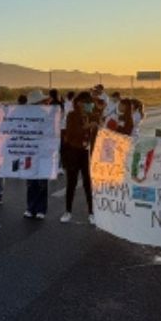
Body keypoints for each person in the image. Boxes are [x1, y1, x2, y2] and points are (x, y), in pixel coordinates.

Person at [60, 92, 98, 223]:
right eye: (86, 102)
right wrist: (86, 127)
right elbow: (71, 134)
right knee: (71, 182)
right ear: (79, 103)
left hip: (87, 153)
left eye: (90, 103)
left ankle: (92, 212)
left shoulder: (92, 115)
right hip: (74, 152)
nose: (89, 105)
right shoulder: (71, 115)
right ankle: (68, 211)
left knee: (88, 183)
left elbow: (99, 133)